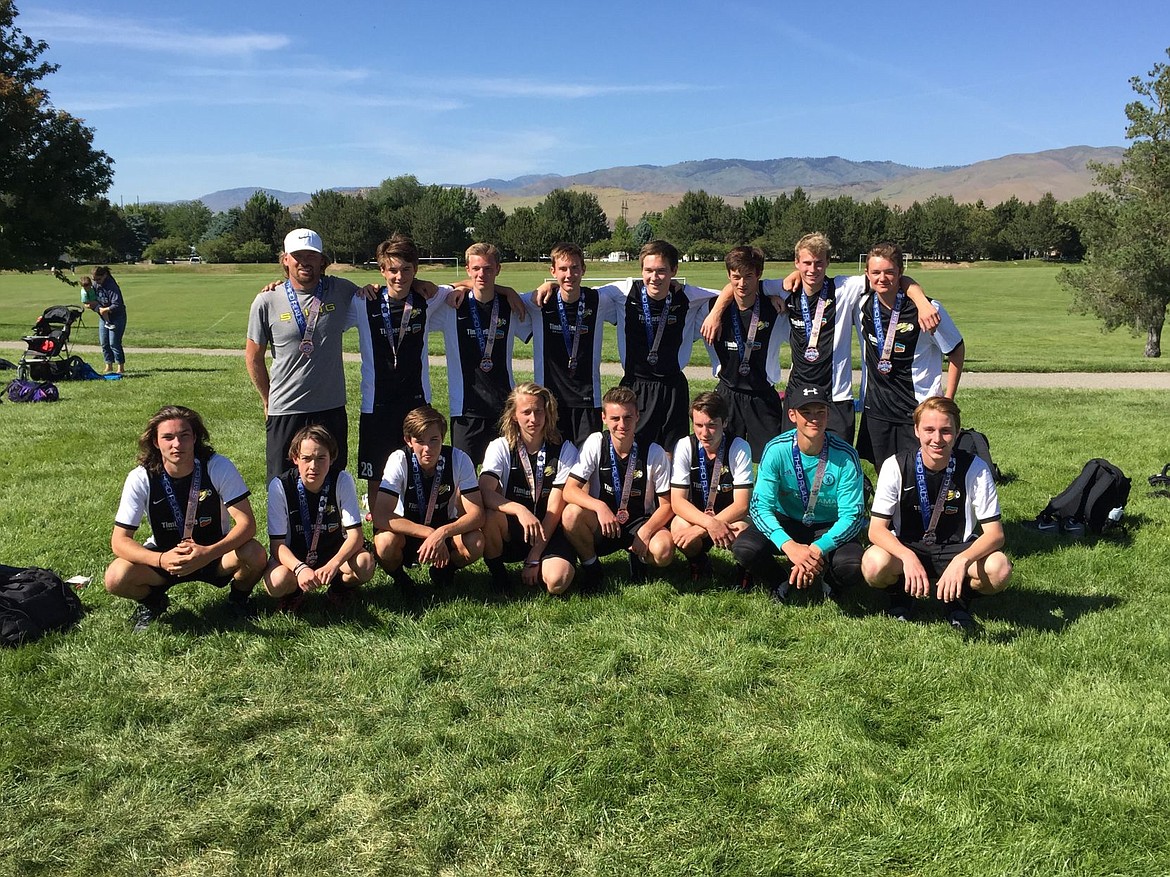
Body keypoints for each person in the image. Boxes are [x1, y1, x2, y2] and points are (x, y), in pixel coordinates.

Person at [702, 233, 939, 443]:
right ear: (797, 263)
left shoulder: (844, 288)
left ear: (827, 262)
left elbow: (890, 277)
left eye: (818, 263)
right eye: (806, 263)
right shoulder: (786, 288)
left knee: (836, 467)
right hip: (797, 393)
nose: (812, 270)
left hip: (836, 395)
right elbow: (739, 282)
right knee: (793, 467)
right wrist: (715, 313)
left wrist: (920, 300)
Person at [541, 240, 716, 452]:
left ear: (674, 271)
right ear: (641, 270)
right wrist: (551, 285)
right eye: (648, 270)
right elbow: (578, 293)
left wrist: (716, 313)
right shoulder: (622, 293)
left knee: (672, 452)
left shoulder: (687, 295)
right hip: (635, 385)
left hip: (673, 388)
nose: (654, 277)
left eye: (661, 271)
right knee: (632, 450)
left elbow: (729, 291)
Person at [104, 406, 266, 632]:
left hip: (214, 553)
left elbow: (248, 524)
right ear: (155, 442)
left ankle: (238, 600)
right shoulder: (141, 477)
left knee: (255, 554)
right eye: (168, 438)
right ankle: (153, 602)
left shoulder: (217, 466)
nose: (177, 444)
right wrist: (161, 560)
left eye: (184, 436)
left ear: (195, 438)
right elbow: (119, 541)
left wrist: (208, 553)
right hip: (165, 556)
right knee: (115, 577)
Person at [862, 396, 1012, 630]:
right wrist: (906, 556)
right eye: (929, 430)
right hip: (908, 544)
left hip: (956, 548)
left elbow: (995, 534)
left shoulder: (975, 467)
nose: (937, 439)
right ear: (916, 431)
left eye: (946, 431)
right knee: (873, 565)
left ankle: (957, 599)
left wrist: (962, 561)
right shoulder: (896, 465)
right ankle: (901, 595)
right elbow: (876, 530)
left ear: (958, 431)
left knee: (999, 569)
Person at [731, 382, 866, 602]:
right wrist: (789, 546)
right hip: (787, 520)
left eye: (820, 412)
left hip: (827, 525)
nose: (814, 418)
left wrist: (817, 549)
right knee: (745, 548)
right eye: (806, 412)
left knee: (852, 564)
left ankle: (830, 581)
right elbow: (760, 507)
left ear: (828, 414)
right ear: (792, 415)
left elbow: (852, 516)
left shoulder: (846, 455)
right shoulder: (776, 449)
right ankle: (779, 579)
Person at [246, 228, 362, 482]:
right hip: (286, 408)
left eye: (312, 255)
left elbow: (384, 294)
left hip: (330, 408)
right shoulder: (267, 300)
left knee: (332, 482)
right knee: (281, 484)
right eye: (298, 255)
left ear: (322, 260)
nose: (305, 262)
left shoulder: (341, 290)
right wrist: (267, 399)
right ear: (285, 259)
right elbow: (253, 357)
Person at [854, 242, 965, 467]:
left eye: (889, 272)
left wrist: (948, 399)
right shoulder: (861, 304)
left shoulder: (927, 309)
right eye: (875, 272)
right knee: (885, 473)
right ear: (867, 274)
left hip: (916, 410)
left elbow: (956, 350)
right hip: (877, 409)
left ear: (900, 273)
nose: (882, 278)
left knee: (920, 473)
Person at [354, 234, 441, 508]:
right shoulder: (362, 302)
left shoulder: (427, 298)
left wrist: (507, 292)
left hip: (415, 402)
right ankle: (381, 526)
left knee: (419, 463)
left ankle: (417, 518)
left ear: (415, 270)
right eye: (392, 270)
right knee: (377, 471)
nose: (399, 277)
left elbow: (470, 286)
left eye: (406, 270)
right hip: (376, 403)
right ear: (382, 271)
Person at [562, 386, 674, 586]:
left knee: (663, 551)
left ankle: (638, 557)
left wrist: (646, 531)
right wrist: (599, 506)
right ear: (604, 417)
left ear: (637, 416)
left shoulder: (653, 451)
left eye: (627, 417)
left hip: (639, 521)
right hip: (603, 522)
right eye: (615, 418)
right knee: (571, 514)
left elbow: (667, 505)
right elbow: (569, 490)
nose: (622, 424)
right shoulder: (596, 443)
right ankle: (592, 567)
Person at [429, 242, 527, 464]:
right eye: (476, 269)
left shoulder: (512, 304)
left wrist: (508, 291)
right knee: (463, 479)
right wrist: (462, 285)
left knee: (503, 478)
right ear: (467, 270)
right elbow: (426, 291)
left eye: (488, 268)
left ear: (498, 270)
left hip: (504, 409)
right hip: (465, 409)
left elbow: (545, 297)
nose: (481, 274)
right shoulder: (451, 305)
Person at [479, 383, 579, 594]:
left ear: (547, 412)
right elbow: (485, 492)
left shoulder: (564, 449)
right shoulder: (501, 447)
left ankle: (541, 561)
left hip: (549, 530)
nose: (533, 419)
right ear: (514, 415)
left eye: (538, 411)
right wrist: (519, 510)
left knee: (557, 583)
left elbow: (555, 509)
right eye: (526, 412)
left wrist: (534, 556)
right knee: (489, 515)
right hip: (514, 529)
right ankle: (498, 576)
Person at [264, 424, 375, 613]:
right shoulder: (280, 486)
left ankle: (339, 589)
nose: (313, 466)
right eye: (306, 458)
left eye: (321, 458)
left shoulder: (342, 480)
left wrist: (334, 564)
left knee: (365, 564)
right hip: (295, 559)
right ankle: (293, 593)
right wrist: (299, 568)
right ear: (295, 458)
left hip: (334, 555)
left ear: (331, 458)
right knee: (277, 582)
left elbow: (356, 536)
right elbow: (277, 545)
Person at [373, 405, 485, 588]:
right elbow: (380, 516)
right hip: (408, 531)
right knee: (384, 542)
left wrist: (442, 533)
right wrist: (428, 533)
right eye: (420, 441)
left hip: (445, 529)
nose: (428, 448)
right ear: (408, 440)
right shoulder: (399, 460)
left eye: (434, 440)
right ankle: (401, 580)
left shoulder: (459, 459)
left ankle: (444, 571)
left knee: (476, 541)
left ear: (443, 438)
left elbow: (478, 515)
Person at [520, 243, 615, 445]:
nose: (569, 274)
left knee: (587, 467)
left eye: (574, 268)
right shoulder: (538, 302)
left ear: (583, 270)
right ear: (553, 271)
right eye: (563, 269)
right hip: (550, 403)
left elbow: (640, 286)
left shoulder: (599, 299)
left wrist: (677, 286)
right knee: (553, 468)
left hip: (588, 402)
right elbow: (492, 292)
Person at [701, 246, 789, 460]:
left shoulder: (774, 308)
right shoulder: (710, 307)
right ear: (729, 276)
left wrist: (772, 294)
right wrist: (714, 313)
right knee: (722, 457)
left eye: (749, 276)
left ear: (758, 275)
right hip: (727, 393)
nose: (742, 283)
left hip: (762, 395)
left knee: (772, 459)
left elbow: (797, 279)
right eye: (736, 277)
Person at [669, 392, 754, 581]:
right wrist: (707, 524)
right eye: (698, 425)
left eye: (711, 425)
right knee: (678, 526)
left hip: (730, 518)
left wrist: (704, 528)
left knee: (744, 532)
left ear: (724, 422)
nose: (704, 433)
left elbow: (742, 505)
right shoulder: (685, 445)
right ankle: (698, 561)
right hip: (698, 517)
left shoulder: (738, 446)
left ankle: (745, 566)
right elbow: (677, 502)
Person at [85, 266, 127, 375]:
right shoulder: (95, 285)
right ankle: (108, 365)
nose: (96, 282)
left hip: (117, 317)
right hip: (103, 317)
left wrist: (106, 309)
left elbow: (118, 304)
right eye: (94, 280)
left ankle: (120, 367)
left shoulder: (111, 286)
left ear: (105, 275)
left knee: (114, 343)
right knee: (104, 342)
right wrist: (92, 306)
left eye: (98, 279)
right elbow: (92, 299)